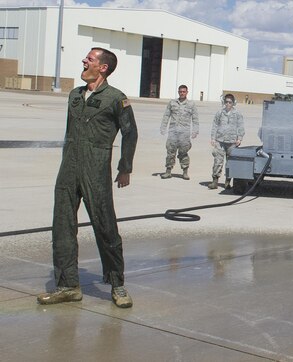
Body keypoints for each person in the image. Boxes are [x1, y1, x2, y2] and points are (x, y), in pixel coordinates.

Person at [37, 47, 138, 308]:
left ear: (103, 67)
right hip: (68, 169)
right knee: (62, 226)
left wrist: (124, 167)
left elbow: (130, 133)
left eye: (90, 59)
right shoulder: (75, 95)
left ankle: (117, 285)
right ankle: (68, 285)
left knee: (105, 226)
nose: (84, 60)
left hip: (96, 170)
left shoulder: (116, 98)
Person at [160, 84, 199, 180]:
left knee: (183, 153)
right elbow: (166, 116)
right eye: (180, 91)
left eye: (184, 92)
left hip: (184, 134)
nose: (182, 93)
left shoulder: (191, 104)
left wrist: (195, 131)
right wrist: (163, 128)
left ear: (187, 92)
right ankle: (168, 171)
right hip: (173, 132)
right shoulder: (172, 103)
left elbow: (195, 119)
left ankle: (185, 172)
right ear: (178, 92)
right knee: (170, 152)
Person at [209, 93, 245, 189]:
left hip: (232, 142)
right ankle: (215, 181)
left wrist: (239, 138)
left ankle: (227, 182)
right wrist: (213, 138)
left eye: (230, 102)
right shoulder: (220, 113)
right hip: (220, 141)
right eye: (226, 102)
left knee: (230, 163)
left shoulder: (237, 114)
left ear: (233, 103)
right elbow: (215, 125)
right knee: (217, 161)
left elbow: (241, 127)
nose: (228, 104)